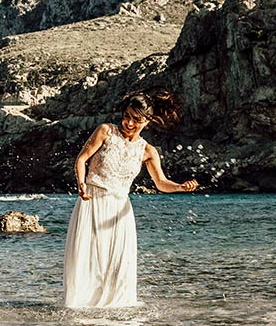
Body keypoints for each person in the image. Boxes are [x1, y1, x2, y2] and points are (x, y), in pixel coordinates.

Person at [63, 90, 198, 308]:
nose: (129, 123)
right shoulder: (106, 131)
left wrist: (181, 187)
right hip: (93, 201)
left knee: (117, 263)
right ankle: (80, 311)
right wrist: (81, 183)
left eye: (136, 119)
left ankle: (115, 314)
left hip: (120, 210)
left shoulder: (148, 150)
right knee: (87, 259)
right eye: (127, 116)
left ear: (148, 120)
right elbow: (82, 159)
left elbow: (161, 183)